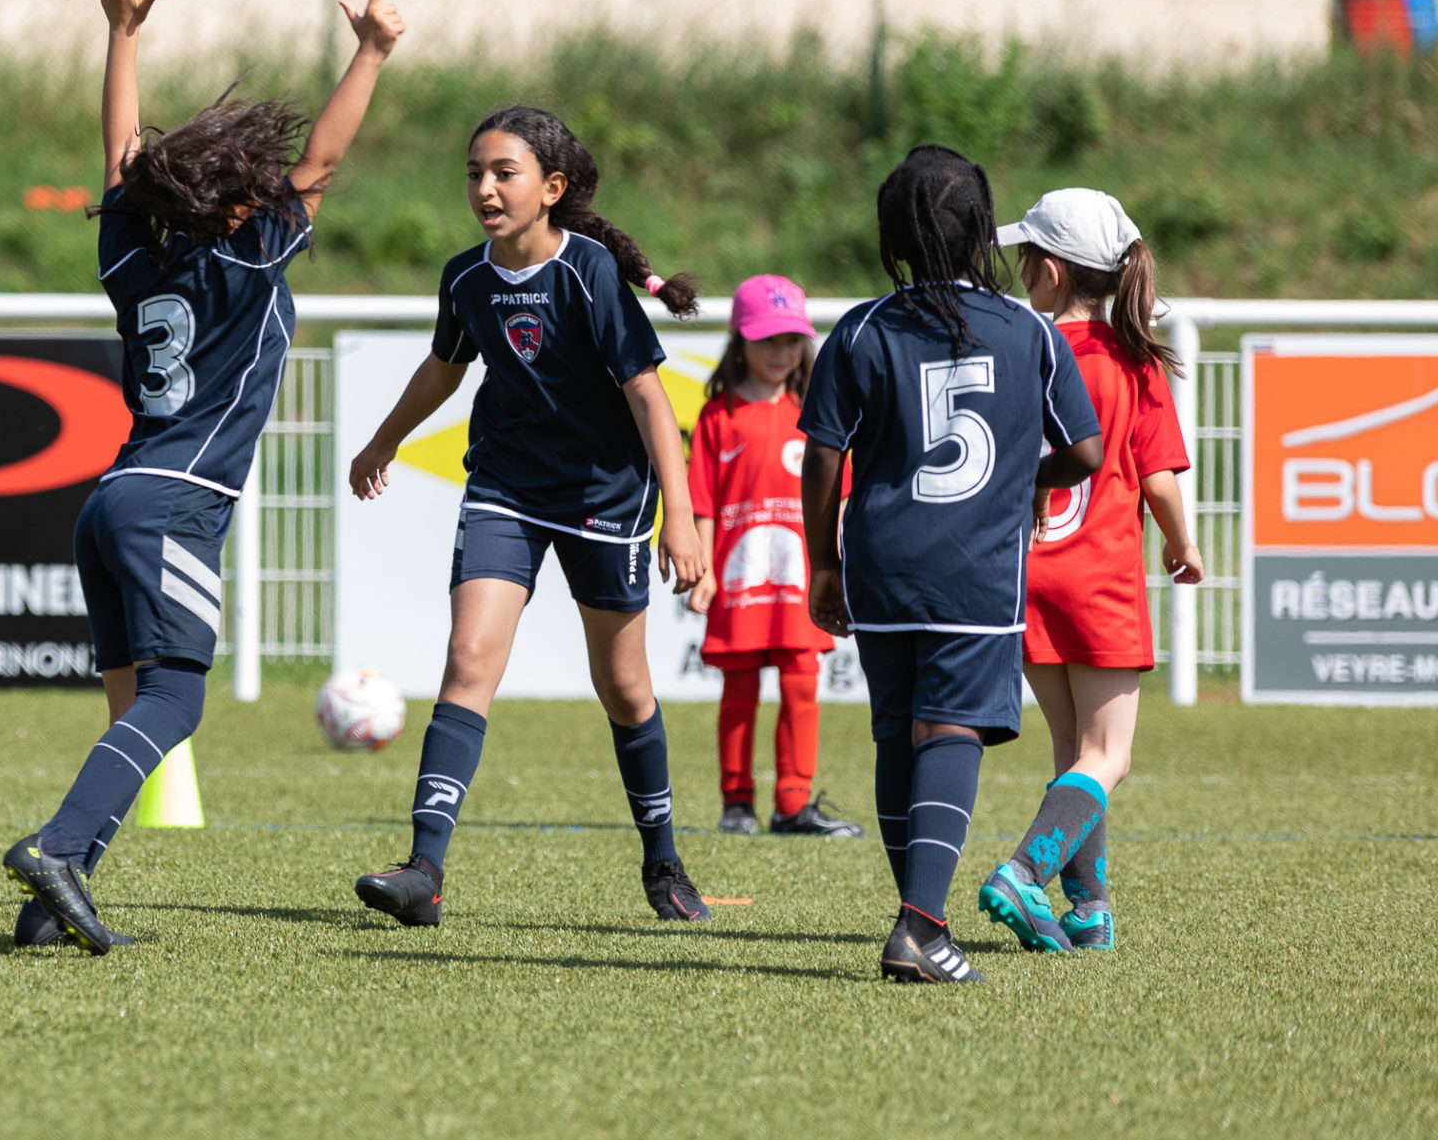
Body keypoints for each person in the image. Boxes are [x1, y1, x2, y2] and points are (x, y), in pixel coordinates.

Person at [2, 0, 407, 954]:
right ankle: (54, 848)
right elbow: (322, 158)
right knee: (176, 701)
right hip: (175, 500)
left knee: (132, 712)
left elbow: (114, 163)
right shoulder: (247, 253)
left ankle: (52, 901)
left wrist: (122, 34)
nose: (277, 190)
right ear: (235, 201)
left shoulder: (134, 254)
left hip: (109, 500)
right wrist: (371, 56)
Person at [345, 104, 713, 929]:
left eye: (503, 173)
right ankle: (424, 871)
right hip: (505, 488)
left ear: (551, 188)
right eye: (475, 172)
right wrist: (383, 441)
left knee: (623, 687)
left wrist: (680, 519)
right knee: (468, 657)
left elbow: (650, 399)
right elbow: (444, 369)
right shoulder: (465, 277)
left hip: (604, 499)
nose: (484, 187)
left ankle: (662, 859)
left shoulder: (587, 274)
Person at [796, 144, 1104, 984]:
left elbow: (822, 459)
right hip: (974, 568)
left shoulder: (859, 327)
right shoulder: (1033, 333)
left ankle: (917, 917)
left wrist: (823, 564)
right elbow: (1084, 449)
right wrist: (1027, 477)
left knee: (899, 731)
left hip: (881, 562)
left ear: (892, 234)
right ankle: (920, 925)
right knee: (953, 728)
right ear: (982, 235)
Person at [975, 188, 1202, 954]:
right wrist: (1183, 542)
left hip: (1024, 576)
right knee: (1109, 756)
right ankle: (1021, 874)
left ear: (1047, 272)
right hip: (1098, 578)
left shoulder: (1019, 351)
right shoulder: (1131, 361)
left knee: (1076, 752)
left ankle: (1089, 908)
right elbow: (1158, 476)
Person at [686, 275, 861, 839]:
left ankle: (793, 804)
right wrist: (706, 569)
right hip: (739, 582)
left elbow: (840, 499)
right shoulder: (718, 417)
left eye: (792, 340)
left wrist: (839, 566)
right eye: (768, 340)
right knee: (738, 690)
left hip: (803, 580)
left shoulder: (819, 413)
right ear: (739, 340)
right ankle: (736, 803)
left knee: (801, 683)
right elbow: (703, 502)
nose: (782, 353)